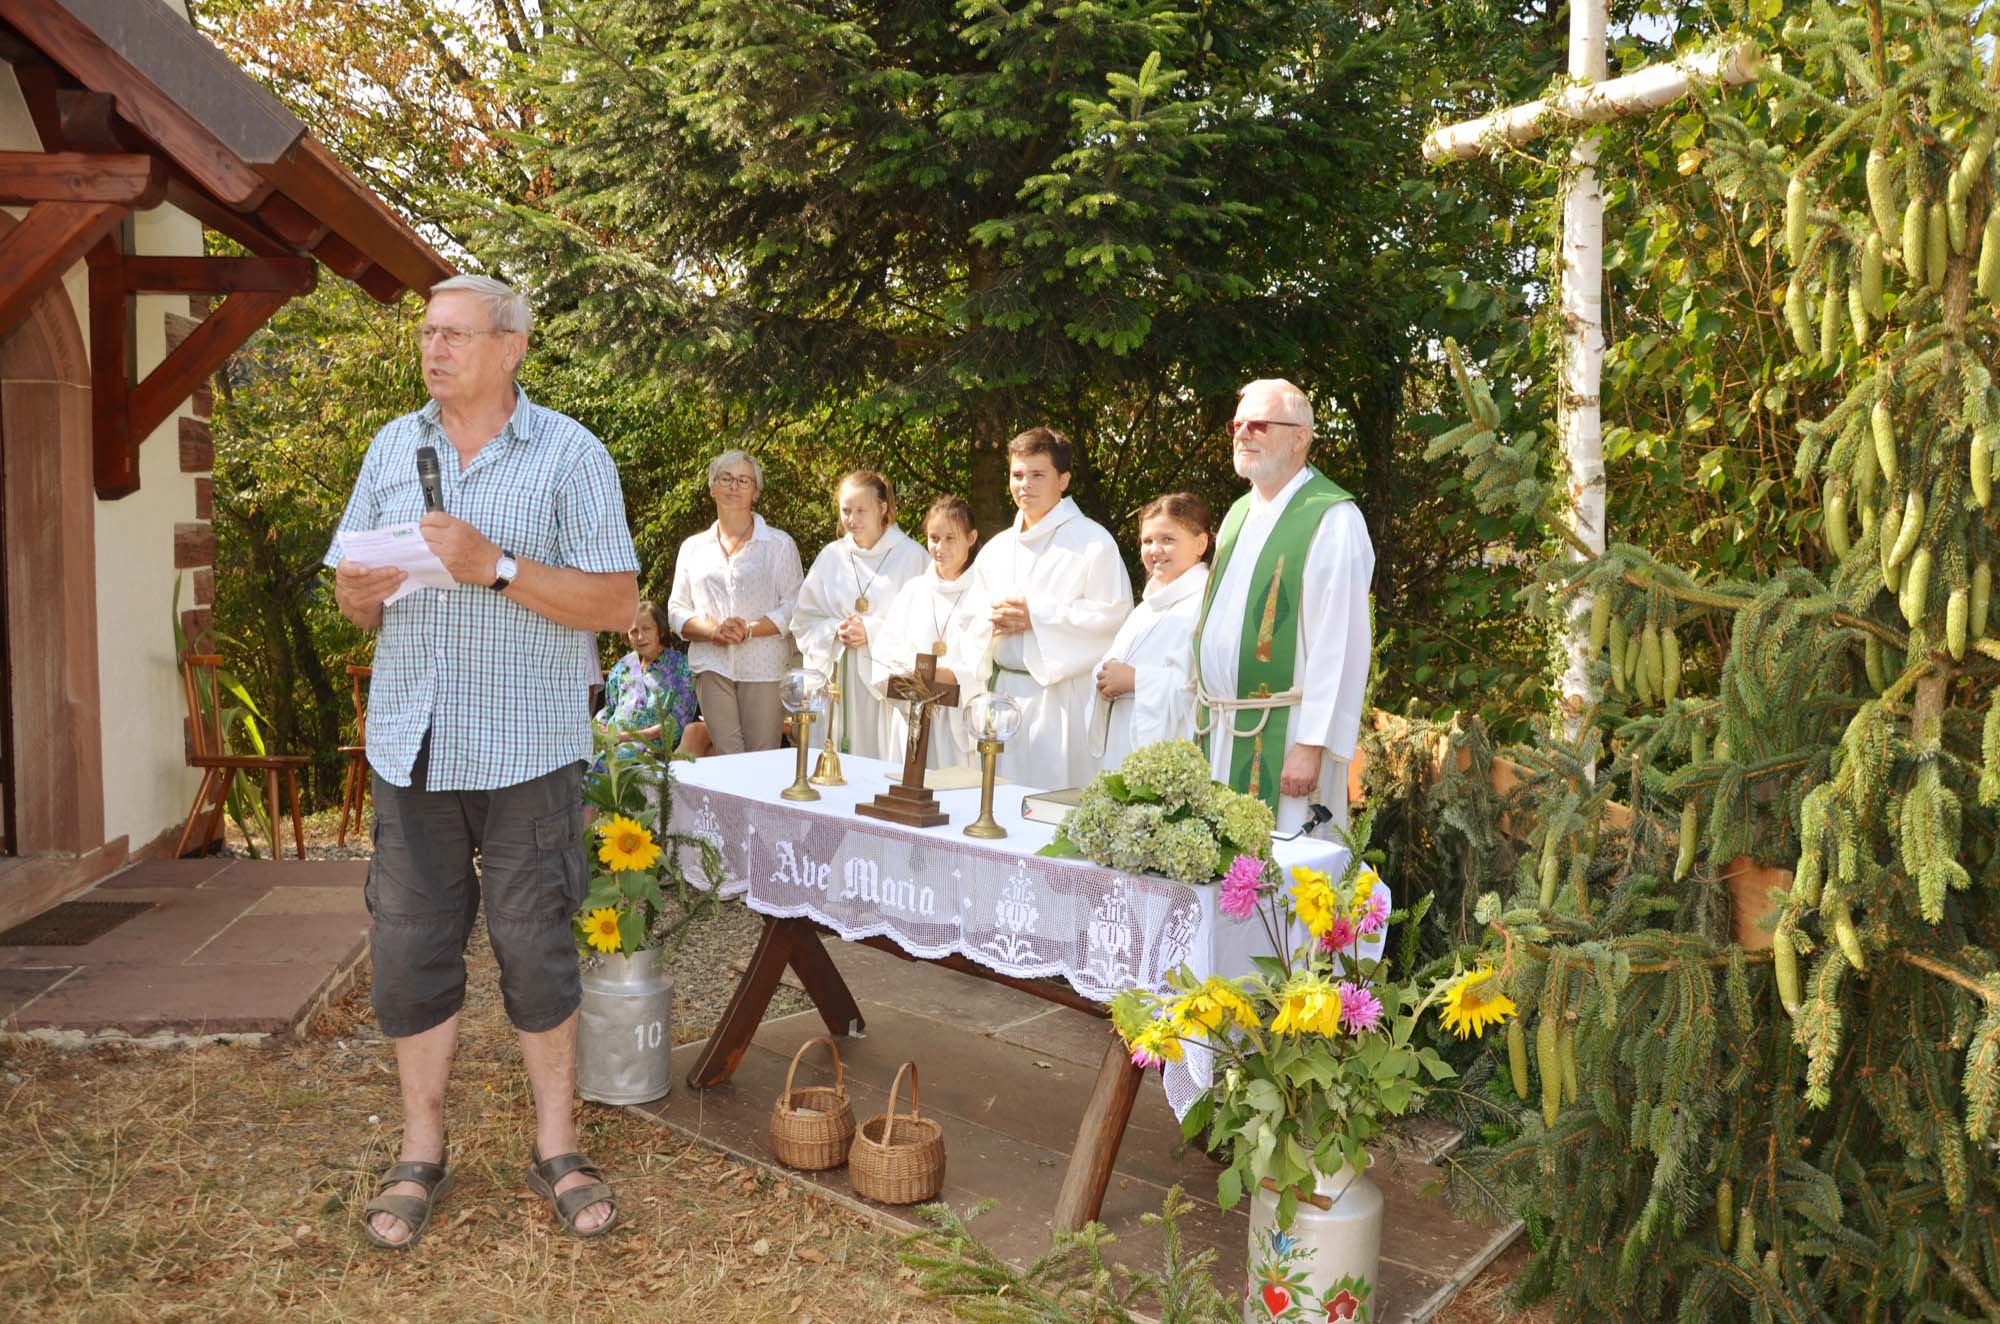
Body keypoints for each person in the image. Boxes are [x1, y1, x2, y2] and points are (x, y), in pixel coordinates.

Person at [326, 274, 637, 1248]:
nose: (434, 349)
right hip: (411, 746)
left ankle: (557, 1144)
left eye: (455, 334)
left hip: (528, 750)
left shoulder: (569, 455)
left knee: (534, 943)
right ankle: (420, 1149)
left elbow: (615, 602)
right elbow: (353, 602)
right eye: (427, 333)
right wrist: (362, 593)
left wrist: (493, 565)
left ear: (512, 346)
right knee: (411, 953)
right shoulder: (392, 446)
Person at [1193, 378, 1374, 833]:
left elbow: (1341, 644)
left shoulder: (1333, 520)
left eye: (1259, 424)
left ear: (1300, 437)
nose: (1242, 433)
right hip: (1218, 730)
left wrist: (1312, 744)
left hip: (1285, 736)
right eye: (1237, 423)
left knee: (1282, 881)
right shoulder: (1238, 514)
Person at [957, 427, 1132, 788]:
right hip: (1001, 696)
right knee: (996, 803)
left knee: (1052, 807)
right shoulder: (997, 548)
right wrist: (991, 623)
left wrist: (1036, 619)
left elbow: (1112, 620)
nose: (1025, 485)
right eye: (1017, 475)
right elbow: (967, 619)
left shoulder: (1093, 543)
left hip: (1060, 703)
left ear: (1063, 480)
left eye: (1038, 475)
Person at [666, 450, 803, 754]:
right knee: (726, 760)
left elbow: (794, 606)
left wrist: (749, 629)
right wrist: (713, 631)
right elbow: (676, 610)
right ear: (712, 487)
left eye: (744, 480)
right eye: (726, 479)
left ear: (756, 492)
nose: (734, 487)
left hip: (764, 667)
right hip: (711, 664)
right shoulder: (693, 548)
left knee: (760, 757)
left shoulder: (779, 545)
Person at [788, 471, 929, 760]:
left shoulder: (912, 556)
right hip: (837, 677)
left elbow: (927, 626)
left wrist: (872, 632)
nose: (852, 519)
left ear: (883, 508)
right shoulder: (832, 556)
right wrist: (834, 630)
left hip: (884, 683)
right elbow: (804, 619)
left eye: (861, 510)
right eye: (846, 511)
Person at [1089, 493, 1212, 773]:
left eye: (1167, 540)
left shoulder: (1205, 604)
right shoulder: (1146, 608)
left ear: (1200, 543)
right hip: (1125, 747)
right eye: (1147, 541)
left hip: (1170, 761)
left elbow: (1199, 687)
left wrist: (1135, 680)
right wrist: (1105, 676)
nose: (1154, 550)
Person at [869, 495, 980, 769]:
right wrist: (906, 675)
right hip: (912, 715)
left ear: (972, 537)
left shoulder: (983, 592)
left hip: (956, 721)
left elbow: (985, 658)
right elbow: (885, 650)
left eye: (950, 538)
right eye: (933, 538)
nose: (940, 547)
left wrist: (950, 676)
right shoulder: (914, 590)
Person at [593, 599, 700, 765]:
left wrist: (625, 737)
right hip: (611, 743)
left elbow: (676, 724)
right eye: (633, 631)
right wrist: (600, 727)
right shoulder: (621, 667)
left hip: (650, 750)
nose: (640, 637)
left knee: (607, 765)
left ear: (660, 631)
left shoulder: (681, 667)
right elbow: (609, 709)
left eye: (646, 629)